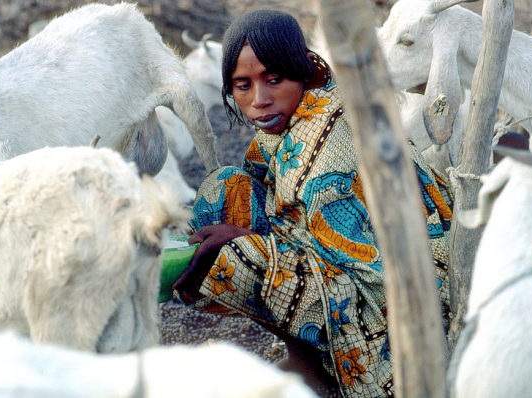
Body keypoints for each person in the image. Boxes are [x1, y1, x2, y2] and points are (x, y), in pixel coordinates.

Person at [172, 9, 453, 398]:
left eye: (274, 79)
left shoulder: (326, 140)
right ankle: (308, 361)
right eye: (242, 85)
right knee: (224, 194)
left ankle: (334, 374)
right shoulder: (299, 114)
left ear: (302, 70)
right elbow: (267, 198)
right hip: (350, 273)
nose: (259, 100)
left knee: (239, 256)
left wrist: (242, 243)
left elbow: (348, 260)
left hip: (399, 305)